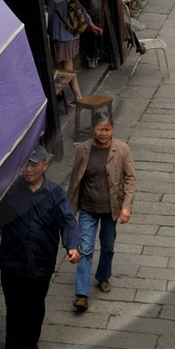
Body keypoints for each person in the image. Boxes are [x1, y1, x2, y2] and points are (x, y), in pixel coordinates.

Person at [0, 145, 80, 349]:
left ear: (45, 165)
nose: (28, 169)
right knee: (15, 312)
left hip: (41, 264)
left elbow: (68, 222)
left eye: (34, 164)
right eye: (26, 164)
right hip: (13, 263)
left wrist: (72, 246)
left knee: (34, 307)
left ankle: (32, 340)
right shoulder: (11, 192)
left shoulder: (55, 193)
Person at [66, 113, 136, 311]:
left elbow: (130, 178)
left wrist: (126, 206)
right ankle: (81, 294)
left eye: (107, 129)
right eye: (100, 129)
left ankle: (103, 276)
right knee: (85, 249)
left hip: (110, 208)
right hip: (88, 207)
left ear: (112, 129)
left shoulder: (121, 149)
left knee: (107, 246)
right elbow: (75, 180)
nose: (104, 133)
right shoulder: (84, 149)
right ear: (92, 129)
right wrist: (69, 209)